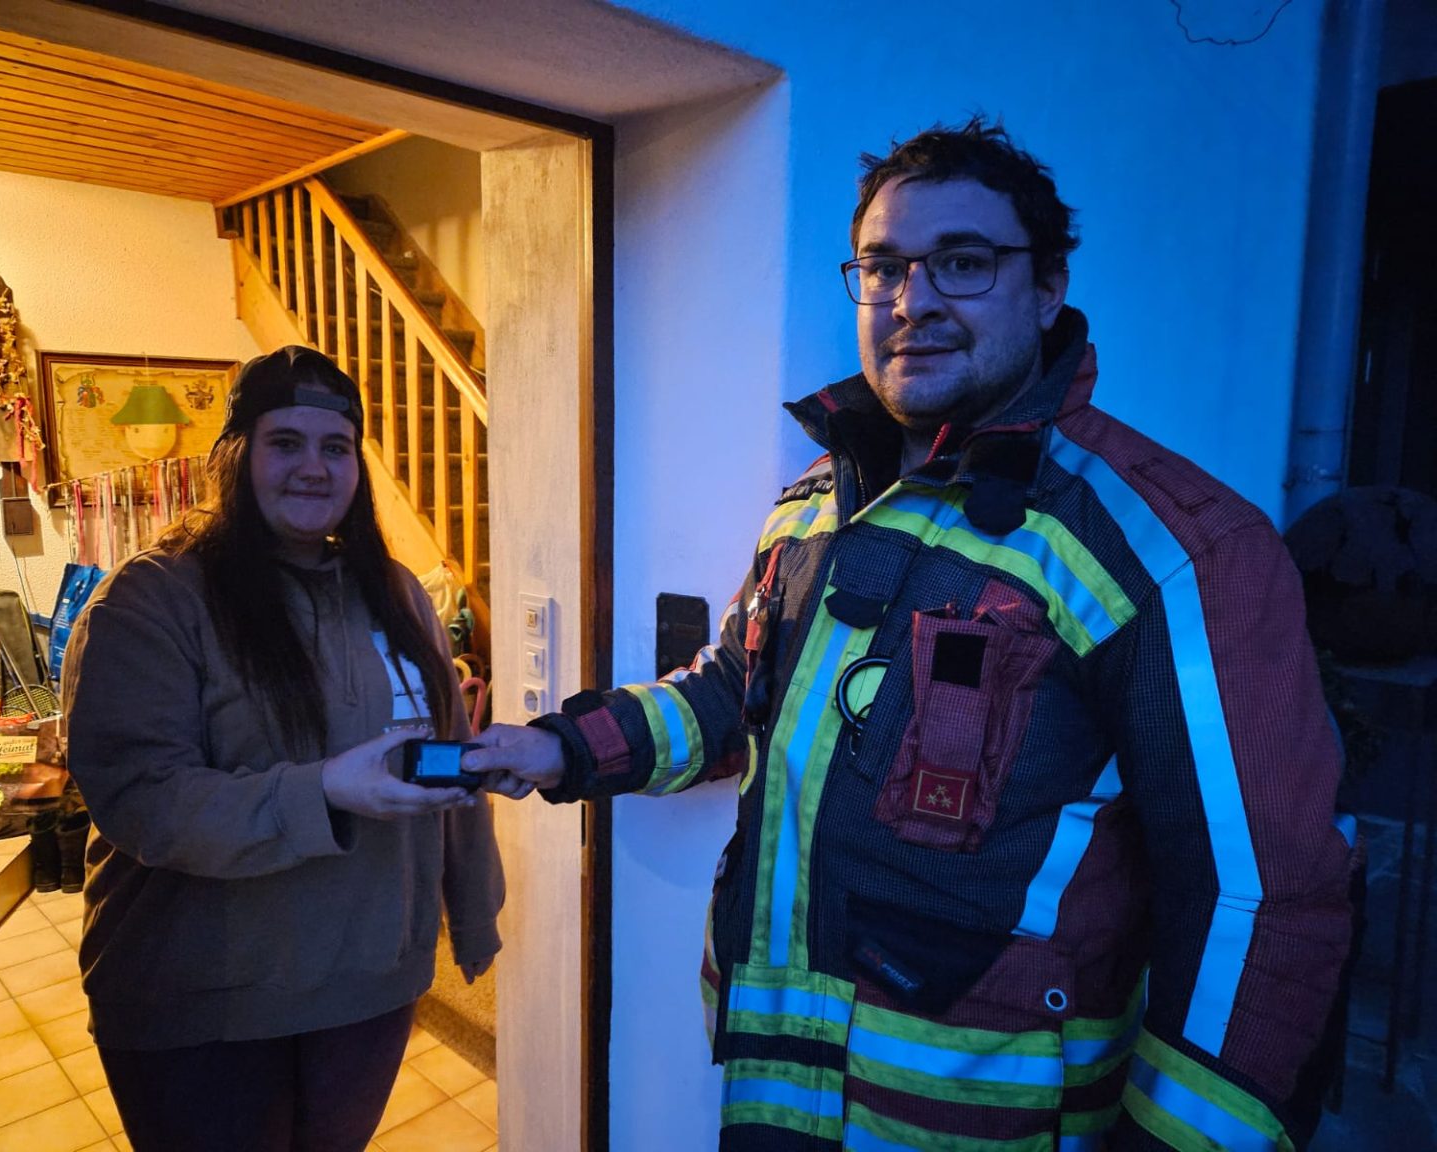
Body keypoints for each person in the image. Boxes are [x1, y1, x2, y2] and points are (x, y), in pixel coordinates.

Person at [468, 118, 1354, 1151]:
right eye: (884, 268)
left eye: (964, 264)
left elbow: (1266, 901)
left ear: (1049, 287)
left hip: (983, 1128)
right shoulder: (811, 504)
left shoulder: (1170, 550)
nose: (914, 299)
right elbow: (726, 694)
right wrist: (556, 748)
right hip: (778, 1095)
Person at [62, 345, 503, 1151]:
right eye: (285, 443)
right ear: (236, 455)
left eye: (336, 448)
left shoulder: (400, 594)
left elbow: (450, 757)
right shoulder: (154, 599)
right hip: (205, 1003)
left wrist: (473, 914)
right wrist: (327, 789)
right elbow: (142, 800)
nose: (314, 468)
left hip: (368, 987)